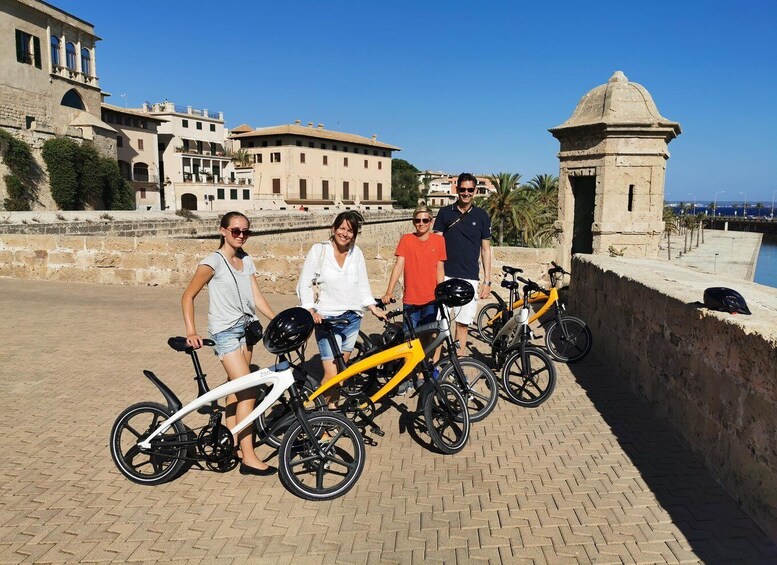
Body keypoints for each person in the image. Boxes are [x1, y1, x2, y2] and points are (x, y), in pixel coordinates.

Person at [182, 211, 276, 476]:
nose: (241, 236)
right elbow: (187, 297)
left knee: (235, 393)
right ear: (223, 231)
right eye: (236, 231)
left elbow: (256, 297)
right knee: (249, 392)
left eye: (246, 231)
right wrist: (192, 331)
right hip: (225, 333)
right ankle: (249, 457)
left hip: (247, 331)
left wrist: (277, 319)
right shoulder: (213, 262)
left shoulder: (246, 261)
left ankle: (230, 444)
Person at [297, 211, 386, 407]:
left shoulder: (357, 253)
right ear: (334, 228)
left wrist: (373, 308)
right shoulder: (319, 250)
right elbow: (304, 283)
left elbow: (362, 285)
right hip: (327, 320)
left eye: (350, 230)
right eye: (342, 228)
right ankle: (319, 417)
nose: (345, 234)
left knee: (342, 374)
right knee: (331, 374)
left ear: (355, 234)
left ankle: (332, 411)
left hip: (352, 319)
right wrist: (310, 310)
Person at [382, 205, 446, 392]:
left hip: (431, 299)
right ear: (413, 222)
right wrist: (389, 291)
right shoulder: (406, 240)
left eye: (425, 220)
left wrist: (440, 293)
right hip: (411, 298)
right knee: (409, 340)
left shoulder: (438, 241)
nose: (421, 224)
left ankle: (420, 374)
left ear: (431, 221)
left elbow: (440, 269)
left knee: (428, 338)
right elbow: (398, 266)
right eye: (417, 220)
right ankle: (407, 375)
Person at [433, 172, 492, 357]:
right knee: (440, 324)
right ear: (457, 189)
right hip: (445, 276)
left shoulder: (482, 216)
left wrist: (487, 281)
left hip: (470, 277)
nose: (466, 193)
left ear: (475, 191)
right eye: (462, 189)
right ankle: (435, 366)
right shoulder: (444, 213)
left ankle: (455, 366)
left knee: (463, 324)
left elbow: (485, 250)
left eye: (470, 190)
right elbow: (435, 245)